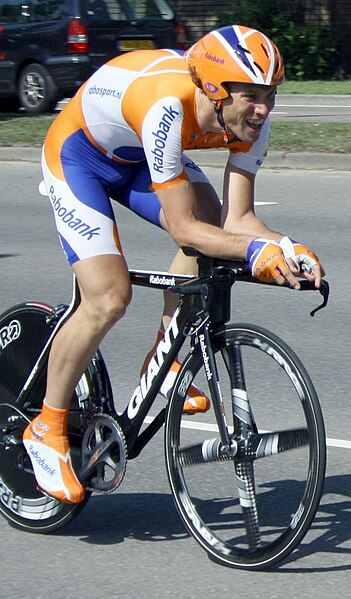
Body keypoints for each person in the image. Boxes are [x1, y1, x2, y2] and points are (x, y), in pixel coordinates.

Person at [23, 24, 324, 504]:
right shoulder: (167, 106)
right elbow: (184, 229)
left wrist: (287, 248)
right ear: (212, 89)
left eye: (270, 93)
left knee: (213, 225)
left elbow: (238, 219)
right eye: (251, 95)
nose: (264, 108)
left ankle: (166, 355)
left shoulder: (252, 119)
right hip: (77, 155)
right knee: (108, 295)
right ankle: (47, 426)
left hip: (136, 155)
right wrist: (251, 251)